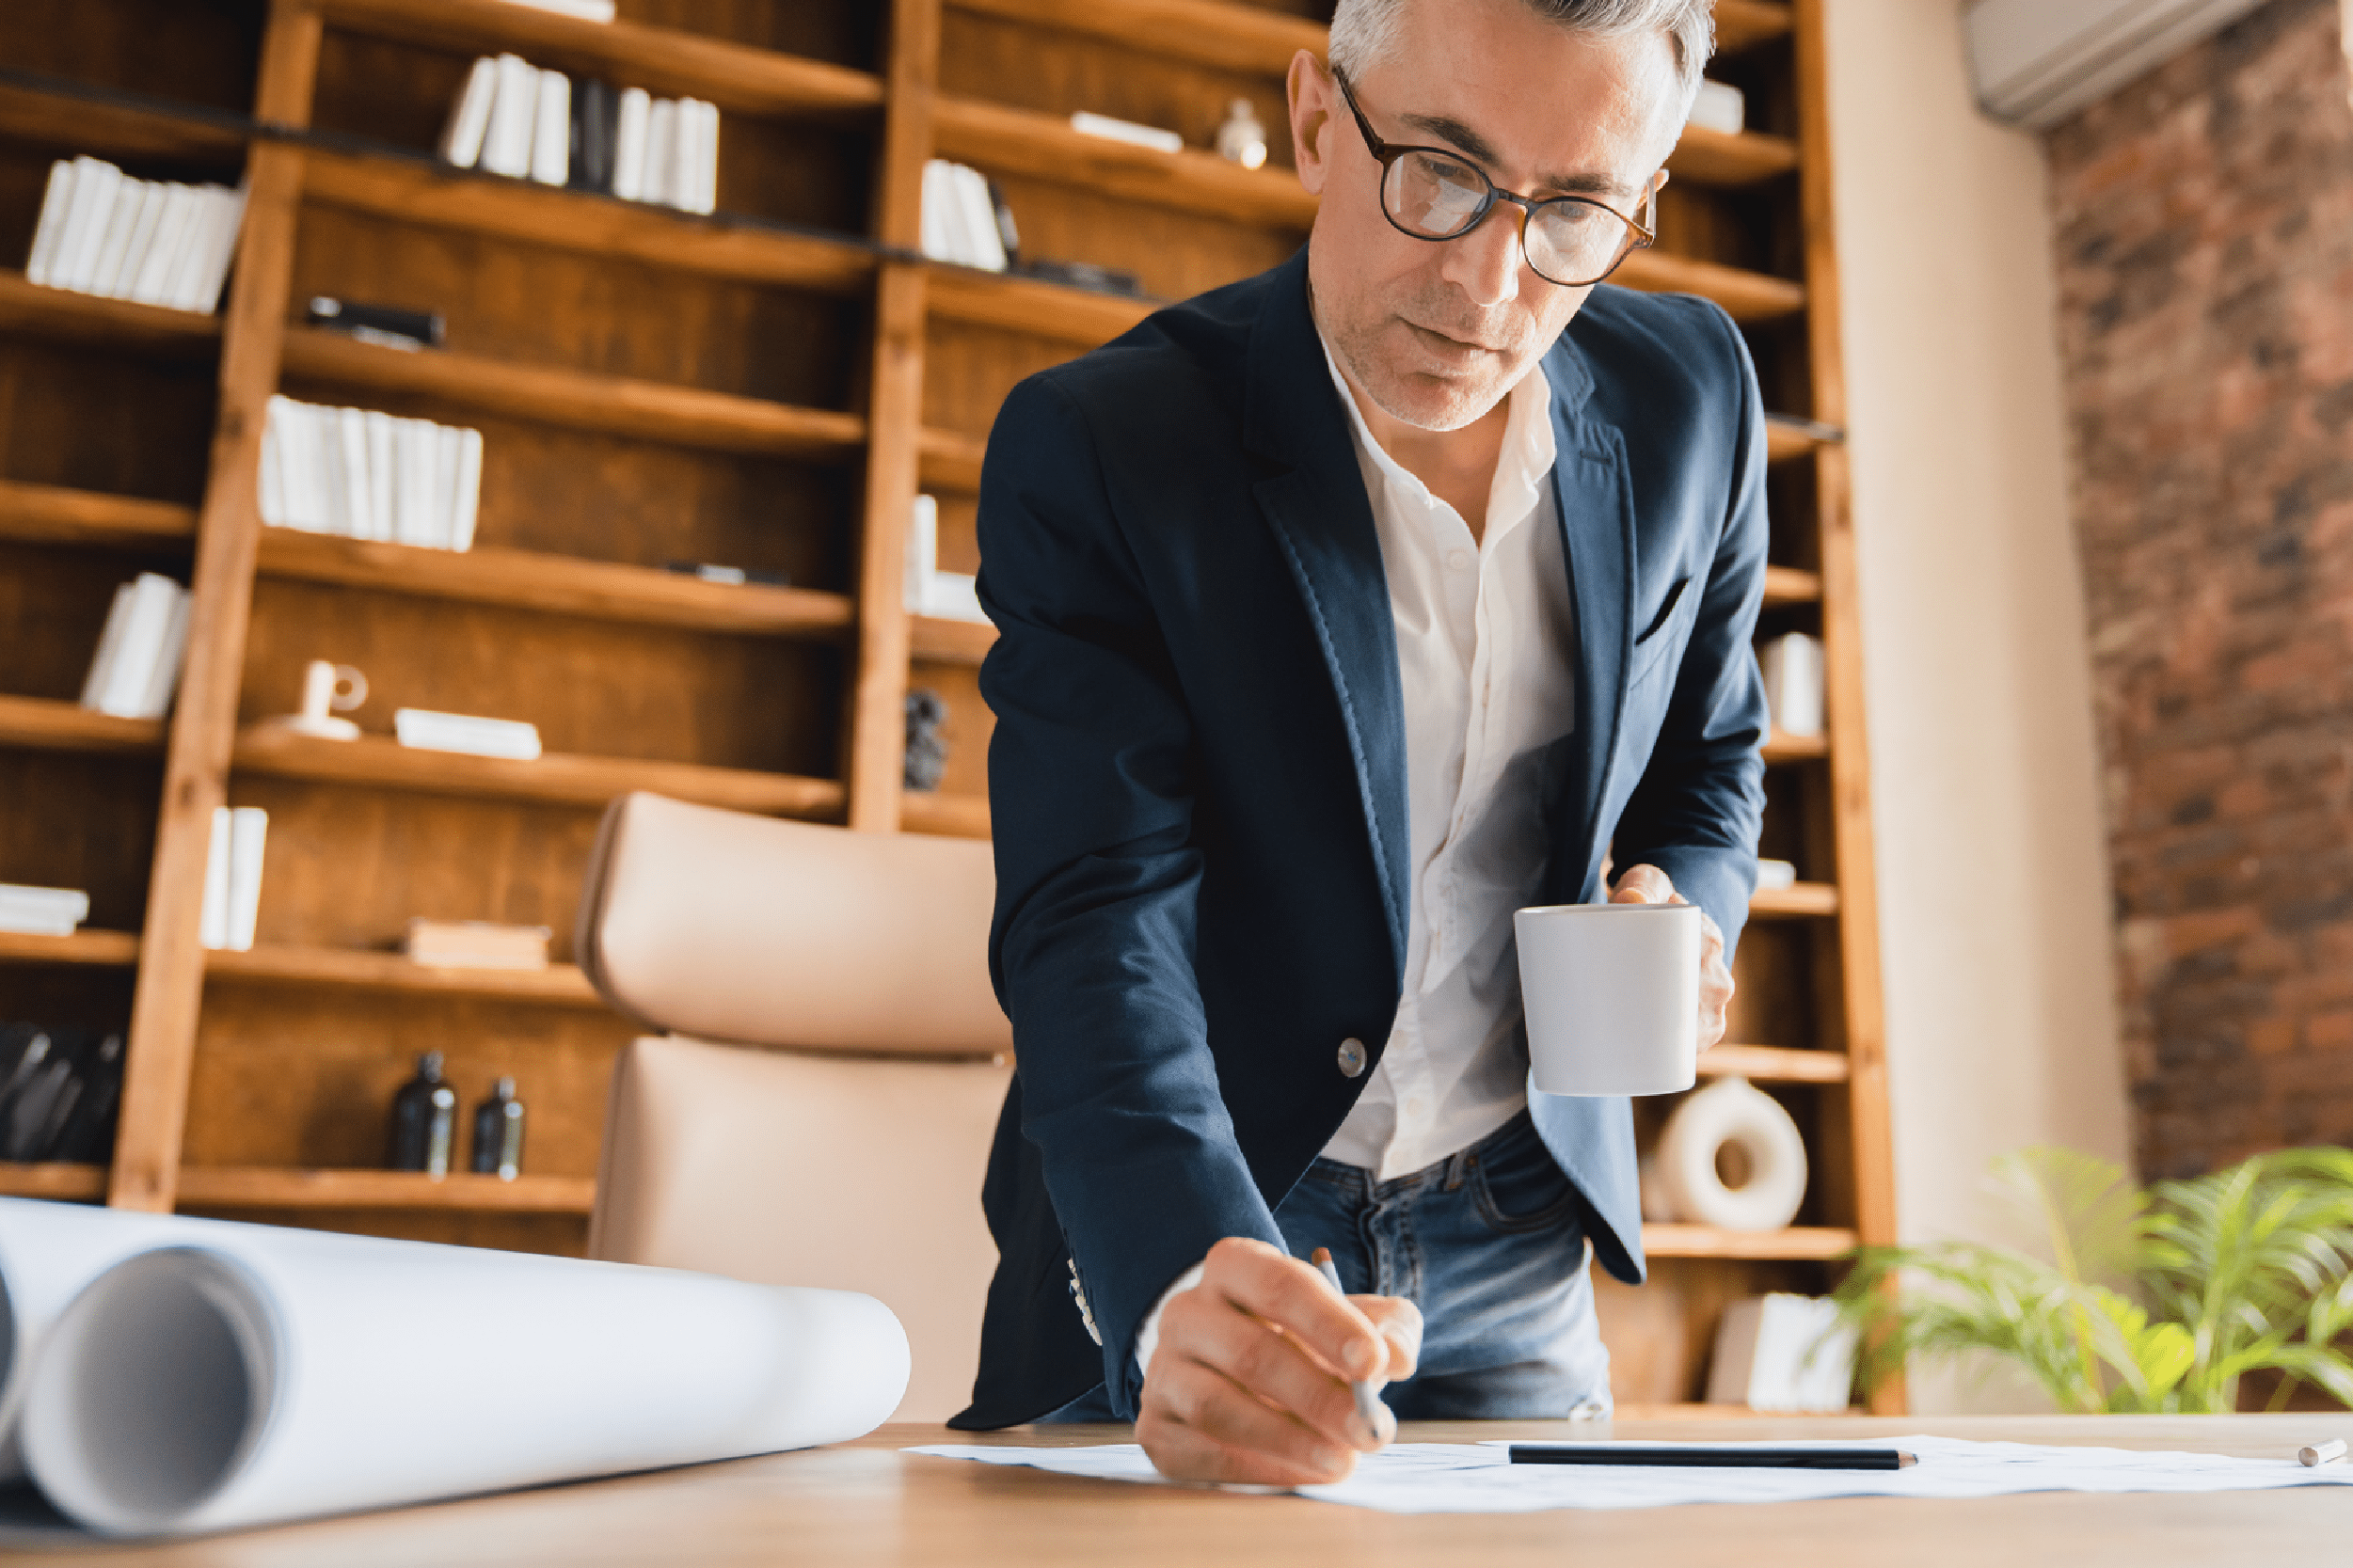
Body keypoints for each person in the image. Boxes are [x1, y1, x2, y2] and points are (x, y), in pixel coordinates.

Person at [950, 0, 1763, 1487]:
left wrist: (1686, 907)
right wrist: (1183, 1278)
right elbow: (1095, 918)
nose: (1489, 283)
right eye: (1441, 172)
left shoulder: (1692, 400)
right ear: (1319, 117)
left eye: (1575, 209)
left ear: (1640, 202)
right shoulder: (1108, 446)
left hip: (1523, 1228)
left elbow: (1711, 761)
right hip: (1221, 1210)